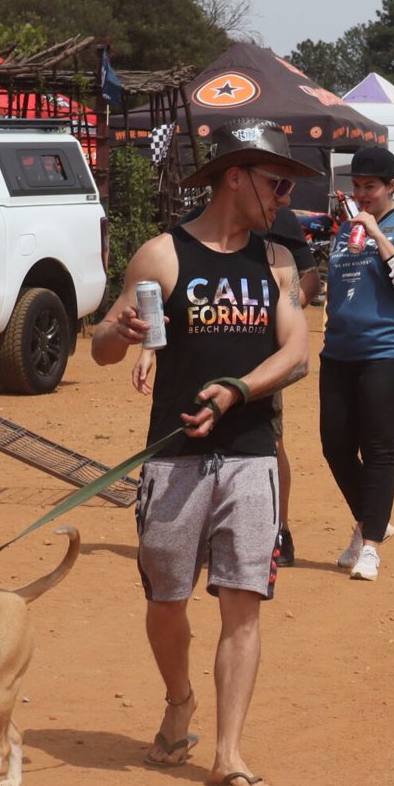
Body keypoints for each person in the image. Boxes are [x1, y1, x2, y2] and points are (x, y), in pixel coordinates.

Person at [90, 117, 311, 786]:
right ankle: (179, 698)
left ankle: (228, 752)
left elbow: (297, 351)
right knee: (166, 601)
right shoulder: (162, 255)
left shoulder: (278, 262)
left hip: (251, 456)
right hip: (174, 459)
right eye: (276, 183)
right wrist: (118, 331)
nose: (284, 198)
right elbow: (101, 348)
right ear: (234, 177)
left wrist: (237, 390)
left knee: (243, 606)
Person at [135, 202, 319, 567]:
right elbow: (167, 302)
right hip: (194, 384)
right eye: (276, 183)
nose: (282, 195)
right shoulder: (190, 227)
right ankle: (203, 531)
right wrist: (149, 346)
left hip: (262, 365)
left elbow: (310, 277)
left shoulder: (280, 223)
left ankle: (278, 530)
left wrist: (277, 310)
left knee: (270, 440)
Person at [321, 144, 394, 582]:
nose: (362, 194)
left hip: (391, 352)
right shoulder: (343, 231)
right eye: (357, 186)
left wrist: (378, 236)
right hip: (339, 352)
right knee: (335, 446)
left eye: (371, 186)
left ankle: (370, 548)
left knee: (378, 448)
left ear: (392, 186)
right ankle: (374, 520)